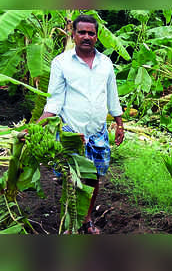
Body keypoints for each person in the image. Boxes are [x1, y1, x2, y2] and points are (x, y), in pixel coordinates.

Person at [37, 14, 124, 234]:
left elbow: (112, 96)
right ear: (73, 34)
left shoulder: (106, 63)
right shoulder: (61, 63)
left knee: (94, 178)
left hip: (98, 132)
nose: (86, 36)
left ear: (96, 36)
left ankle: (87, 219)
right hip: (71, 133)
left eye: (91, 33)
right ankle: (70, 223)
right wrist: (37, 126)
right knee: (71, 180)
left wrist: (120, 123)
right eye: (82, 32)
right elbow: (54, 100)